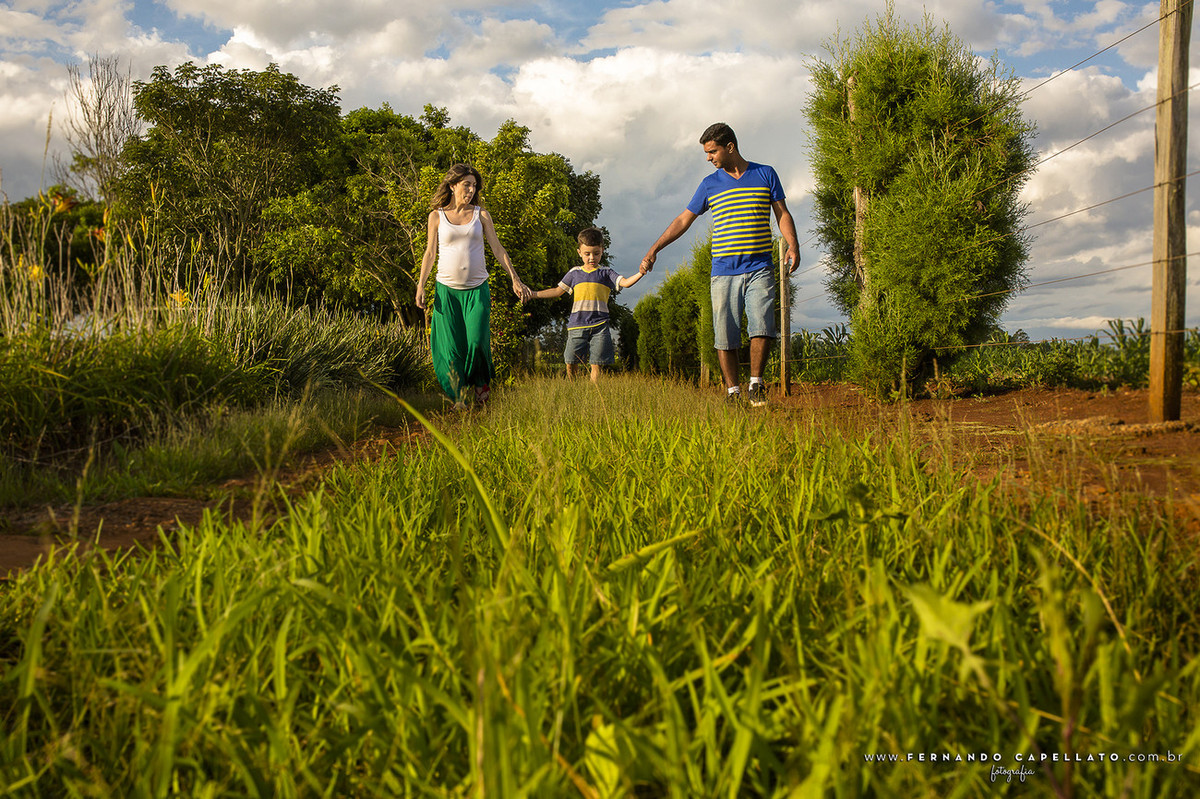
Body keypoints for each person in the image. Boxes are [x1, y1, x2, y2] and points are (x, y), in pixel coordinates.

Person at [641, 122, 800, 407]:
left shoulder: (765, 174)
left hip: (760, 266)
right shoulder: (709, 184)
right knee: (725, 333)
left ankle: (756, 385)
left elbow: (782, 213)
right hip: (724, 271)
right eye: (707, 153)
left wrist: (792, 243)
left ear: (730, 147)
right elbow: (683, 220)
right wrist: (655, 248)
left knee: (762, 324)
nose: (708, 158)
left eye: (712, 151)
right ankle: (732, 392)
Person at [416, 164, 530, 409]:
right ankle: (459, 398)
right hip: (446, 291)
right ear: (453, 185)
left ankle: (481, 385)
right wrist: (421, 285)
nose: (470, 189)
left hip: (477, 290)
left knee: (477, 341)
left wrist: (514, 278)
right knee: (451, 347)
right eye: (466, 184)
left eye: (474, 186)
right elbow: (429, 252)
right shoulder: (436, 216)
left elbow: (498, 249)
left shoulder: (481, 215)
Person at [525, 226, 646, 382]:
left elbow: (626, 283)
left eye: (596, 253)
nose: (591, 258)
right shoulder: (574, 273)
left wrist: (641, 273)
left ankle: (594, 394)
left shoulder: (606, 273)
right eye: (587, 254)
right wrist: (533, 294)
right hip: (577, 325)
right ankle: (574, 390)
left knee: (596, 364)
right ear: (579, 252)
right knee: (570, 362)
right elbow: (557, 291)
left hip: (600, 325)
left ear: (602, 250)